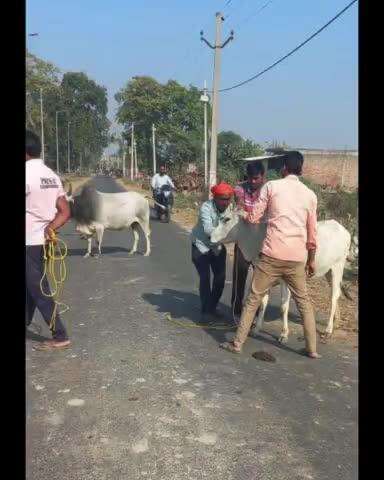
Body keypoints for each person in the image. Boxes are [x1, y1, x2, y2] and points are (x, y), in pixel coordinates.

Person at [220, 151, 321, 359]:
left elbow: (255, 217)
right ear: (301, 169)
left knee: (253, 298)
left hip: (272, 255)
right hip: (297, 258)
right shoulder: (310, 195)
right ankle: (312, 350)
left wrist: (243, 215)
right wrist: (311, 260)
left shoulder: (272, 187)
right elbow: (312, 233)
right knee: (304, 302)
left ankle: (237, 343)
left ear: (284, 168)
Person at [26, 130, 71, 350]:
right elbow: (64, 211)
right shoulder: (51, 176)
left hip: (28, 242)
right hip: (42, 241)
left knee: (37, 288)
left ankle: (60, 334)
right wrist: (49, 228)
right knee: (31, 286)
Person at [191, 182, 234, 320]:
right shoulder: (206, 207)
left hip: (217, 246)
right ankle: (206, 311)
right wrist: (227, 234)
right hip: (201, 245)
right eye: (222, 198)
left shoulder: (230, 209)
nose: (225, 202)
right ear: (214, 197)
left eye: (227, 199)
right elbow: (208, 230)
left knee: (220, 279)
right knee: (205, 278)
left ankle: (212, 307)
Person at [232, 161, 266, 321]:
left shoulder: (269, 190)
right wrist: (246, 214)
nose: (253, 182)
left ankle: (255, 313)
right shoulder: (240, 188)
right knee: (240, 276)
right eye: (250, 178)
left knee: (259, 280)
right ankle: (236, 309)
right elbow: (239, 209)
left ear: (262, 177)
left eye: (256, 178)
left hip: (262, 243)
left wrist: (249, 216)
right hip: (244, 240)